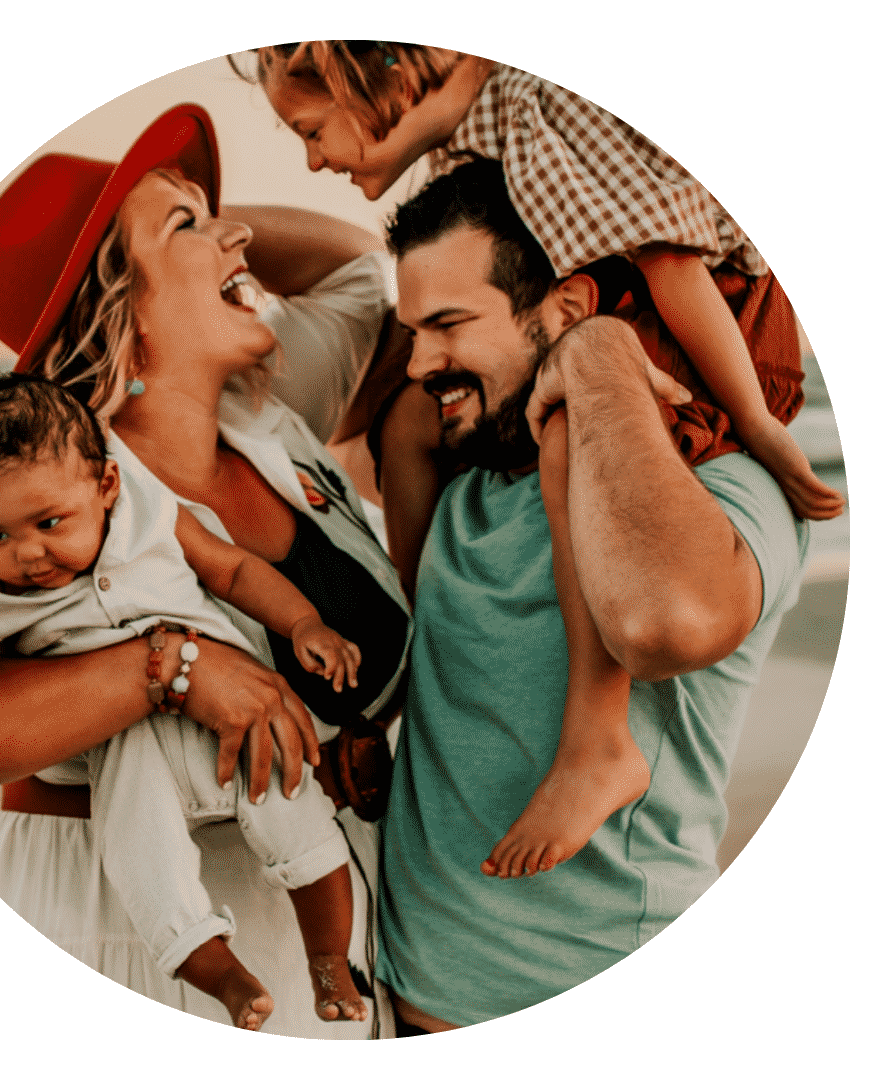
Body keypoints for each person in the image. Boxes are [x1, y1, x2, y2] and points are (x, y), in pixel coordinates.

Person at [0, 105, 411, 1038]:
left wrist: (197, 230)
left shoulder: (271, 422)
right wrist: (168, 669)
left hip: (337, 912)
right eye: (188, 226)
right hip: (108, 933)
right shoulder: (27, 501)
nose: (238, 232)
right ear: (118, 303)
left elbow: (361, 266)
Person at [242, 41, 838, 873]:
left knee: (571, 412)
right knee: (408, 419)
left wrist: (755, 421)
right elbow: (374, 264)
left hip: (709, 338)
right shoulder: (465, 141)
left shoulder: (534, 121)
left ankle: (598, 740)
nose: (313, 158)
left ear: (379, 85)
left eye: (313, 131)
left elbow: (669, 263)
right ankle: (420, 658)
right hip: (606, 312)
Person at [371, 161, 808, 1030]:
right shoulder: (463, 480)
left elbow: (659, 621)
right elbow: (331, 304)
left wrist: (599, 352)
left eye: (449, 324)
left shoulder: (727, 497)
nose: (419, 361)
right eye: (411, 328)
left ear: (566, 311)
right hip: (405, 1004)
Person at [0, 372, 368, 1029]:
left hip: (230, 727)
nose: (28, 553)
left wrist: (303, 624)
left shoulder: (151, 520)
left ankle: (328, 963)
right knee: (142, 860)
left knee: (299, 821)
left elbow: (233, 569)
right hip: (125, 756)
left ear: (105, 487)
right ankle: (225, 977)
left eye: (48, 522)